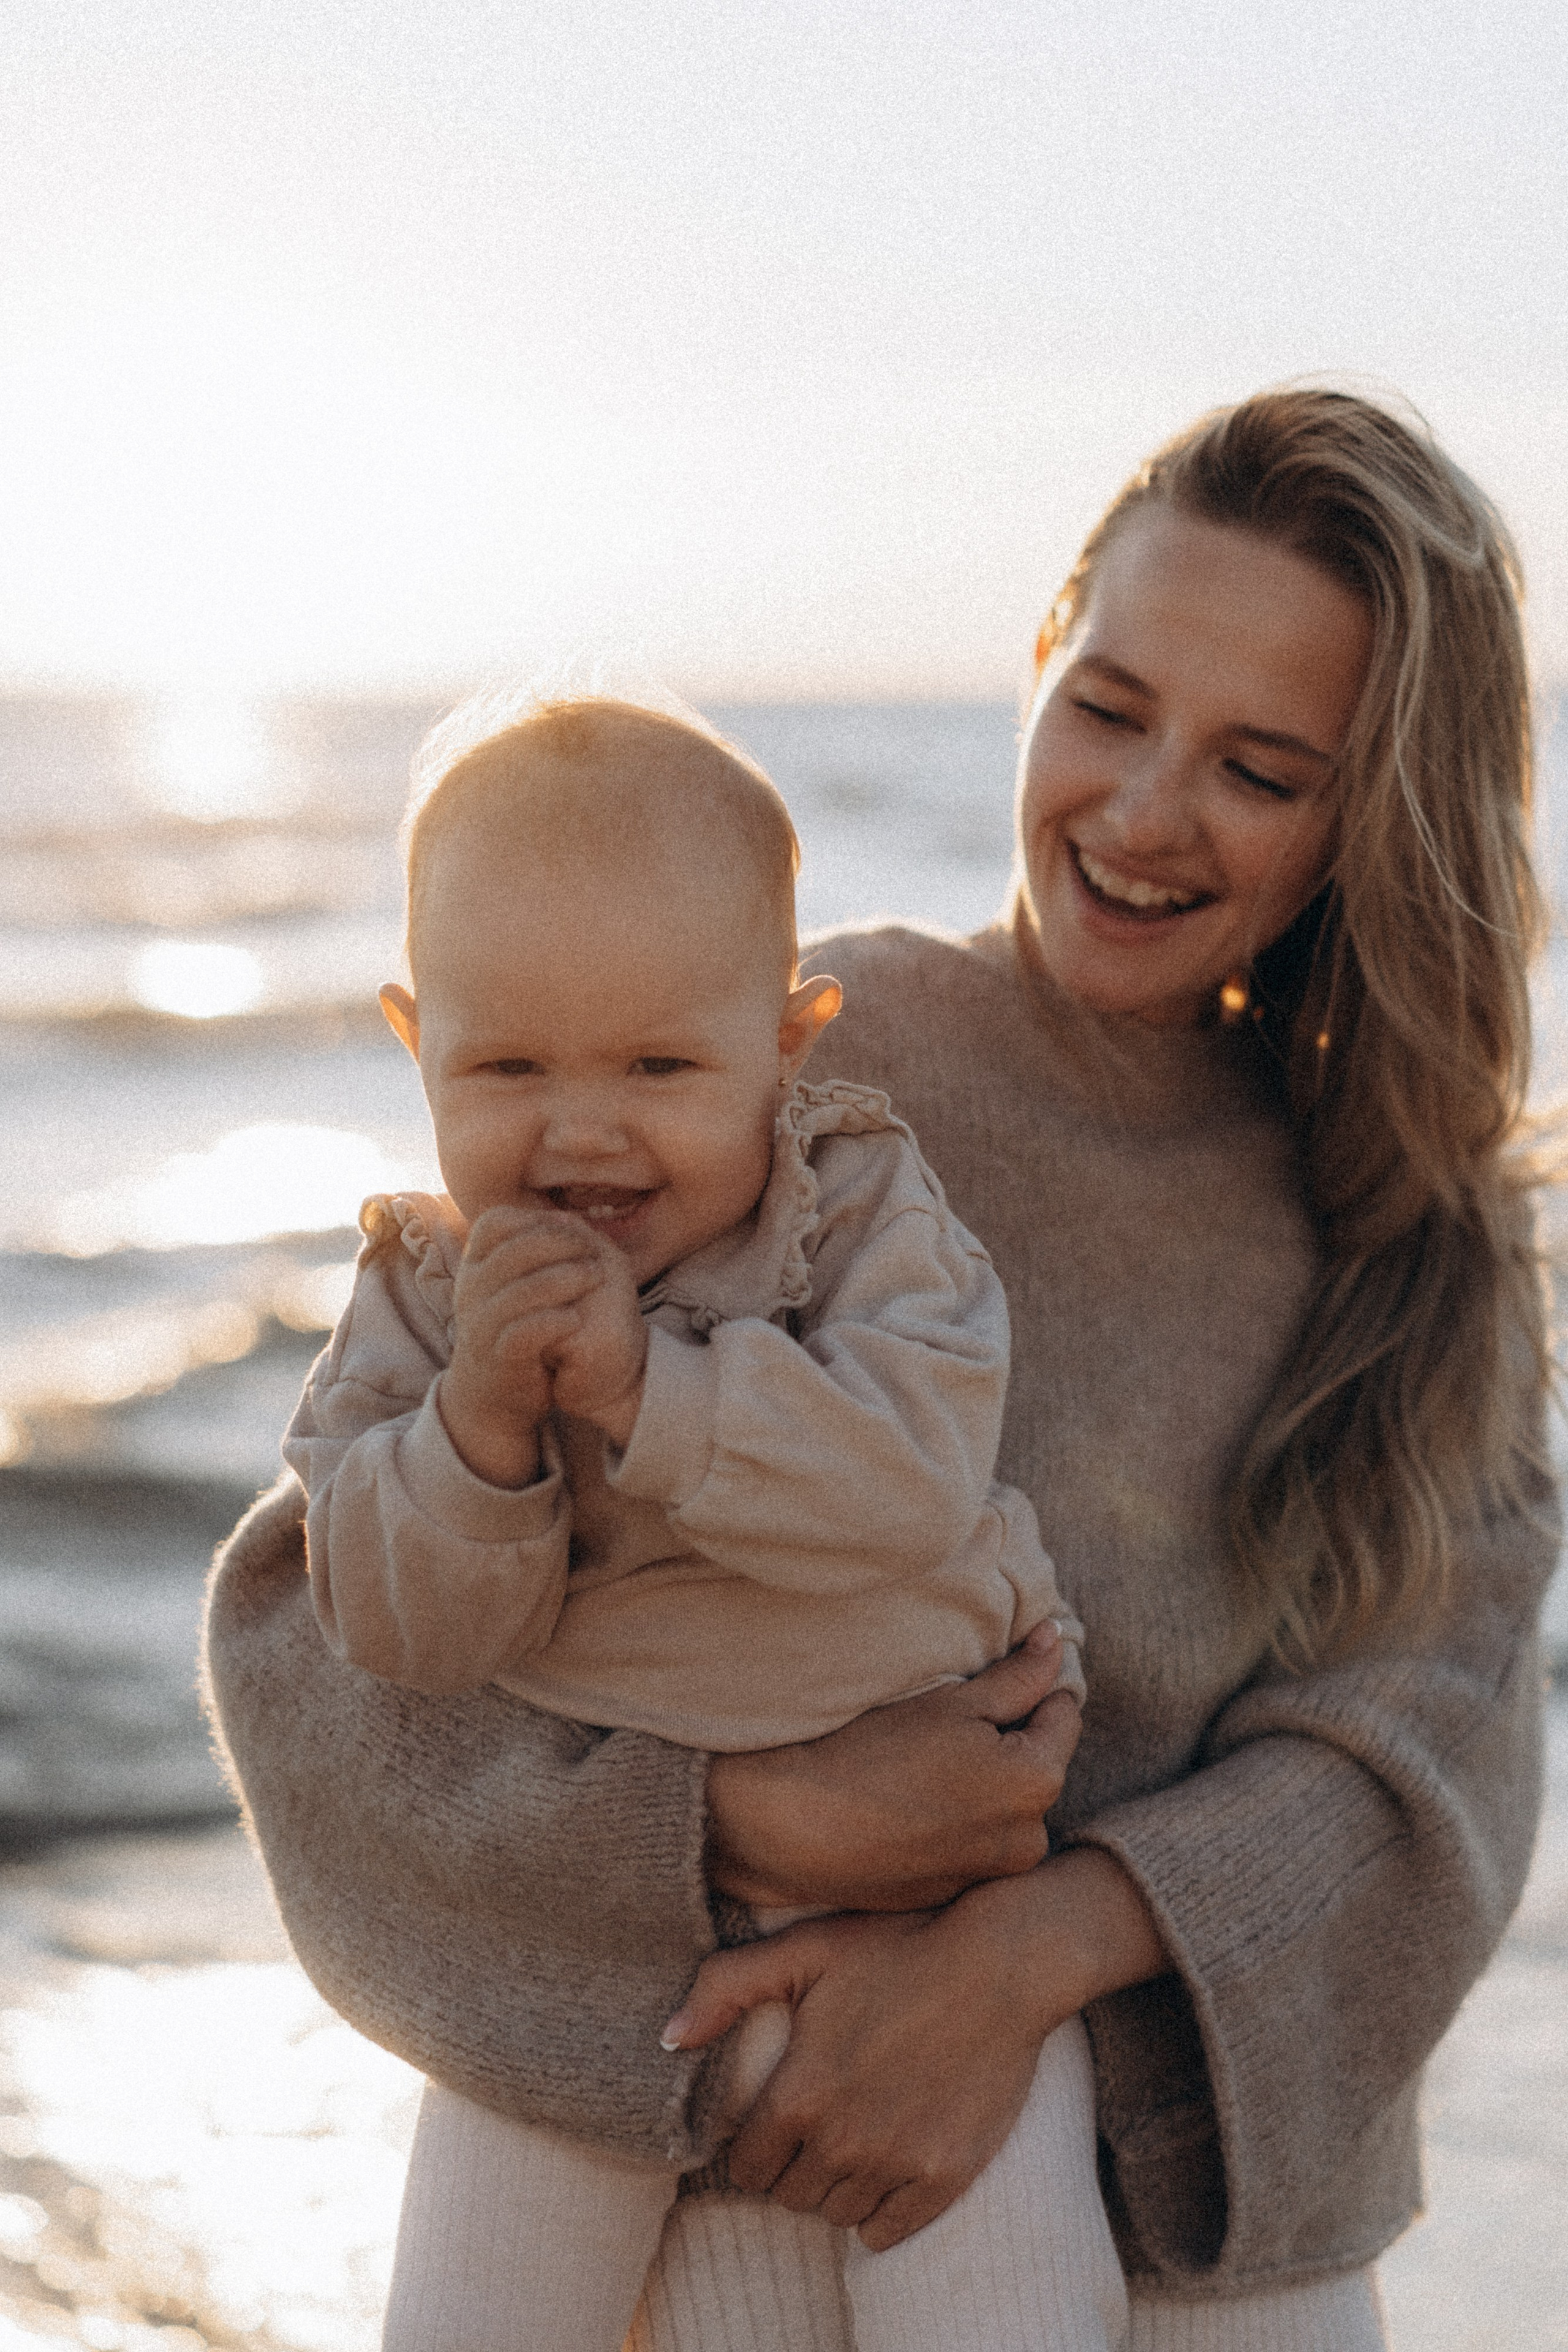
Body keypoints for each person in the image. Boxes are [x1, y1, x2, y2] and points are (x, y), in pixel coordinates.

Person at [204, 387, 1559, 2351]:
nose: (1147, 810)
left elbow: (1437, 1753)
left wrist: (1030, 1955)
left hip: (1214, 2237)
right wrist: (725, 1817)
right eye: (1110, 707)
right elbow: (304, 1629)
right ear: (1038, 661)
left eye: (1262, 767)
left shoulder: (1421, 1240)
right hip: (763, 2174)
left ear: (1370, 812)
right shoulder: (756, 1085)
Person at [279, 695, 1120, 2349]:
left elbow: (910, 1480)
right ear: (413, 1037)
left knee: (1008, 2304)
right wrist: (484, 1435)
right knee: (472, 2312)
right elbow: (390, 1631)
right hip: (596, 1937)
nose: (584, 1128)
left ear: (790, 1041)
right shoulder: (425, 1301)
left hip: (934, 1913)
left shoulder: (864, 1213)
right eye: (508, 1064)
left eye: (661, 1065)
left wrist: (649, 1395)